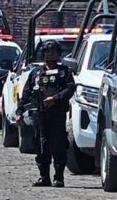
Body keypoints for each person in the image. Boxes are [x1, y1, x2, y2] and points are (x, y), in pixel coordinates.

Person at [16, 39, 76, 187]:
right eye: (48, 51)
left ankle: (59, 177)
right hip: (39, 115)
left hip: (56, 114)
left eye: (54, 51)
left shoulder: (64, 72)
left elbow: (70, 89)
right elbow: (26, 93)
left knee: (58, 145)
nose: (51, 54)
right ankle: (44, 176)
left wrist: (55, 99)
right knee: (40, 144)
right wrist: (19, 111)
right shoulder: (36, 73)